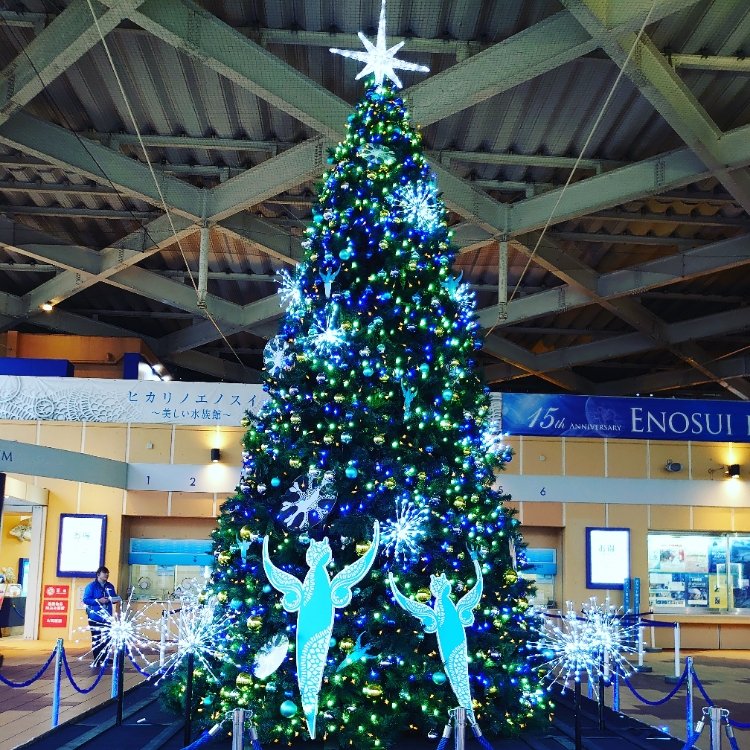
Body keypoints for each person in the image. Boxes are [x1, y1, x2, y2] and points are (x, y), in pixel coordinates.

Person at [82, 566, 120, 665]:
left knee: (109, 637)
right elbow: (86, 599)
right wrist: (98, 600)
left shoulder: (110, 586)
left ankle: (105, 656)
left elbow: (113, 597)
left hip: (107, 616)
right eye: (104, 573)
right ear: (98, 574)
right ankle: (97, 659)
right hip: (95, 616)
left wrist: (114, 599)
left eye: (108, 573)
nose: (107, 575)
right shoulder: (91, 586)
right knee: (96, 638)